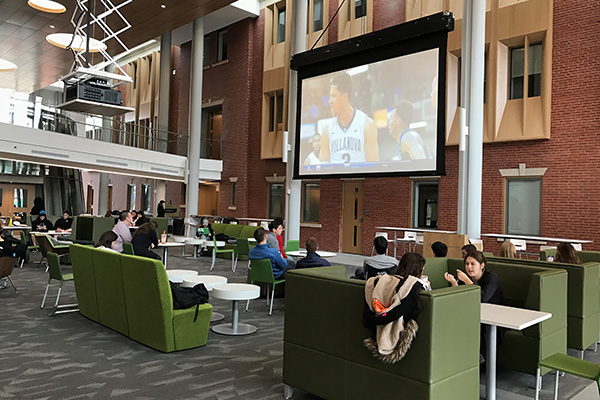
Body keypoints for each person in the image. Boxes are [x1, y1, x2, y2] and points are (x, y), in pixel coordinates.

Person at [444, 251, 504, 359]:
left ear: (482, 265)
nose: (469, 267)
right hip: (474, 314)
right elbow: (460, 298)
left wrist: (467, 281)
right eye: (467, 264)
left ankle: (480, 358)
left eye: (473, 264)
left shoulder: (491, 277)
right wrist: (454, 283)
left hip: (495, 317)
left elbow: (483, 298)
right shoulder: (466, 278)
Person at [319, 72, 379, 163]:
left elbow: (374, 168)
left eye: (333, 96)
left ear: (345, 96)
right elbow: (322, 172)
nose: (329, 101)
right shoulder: (327, 131)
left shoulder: (367, 125)